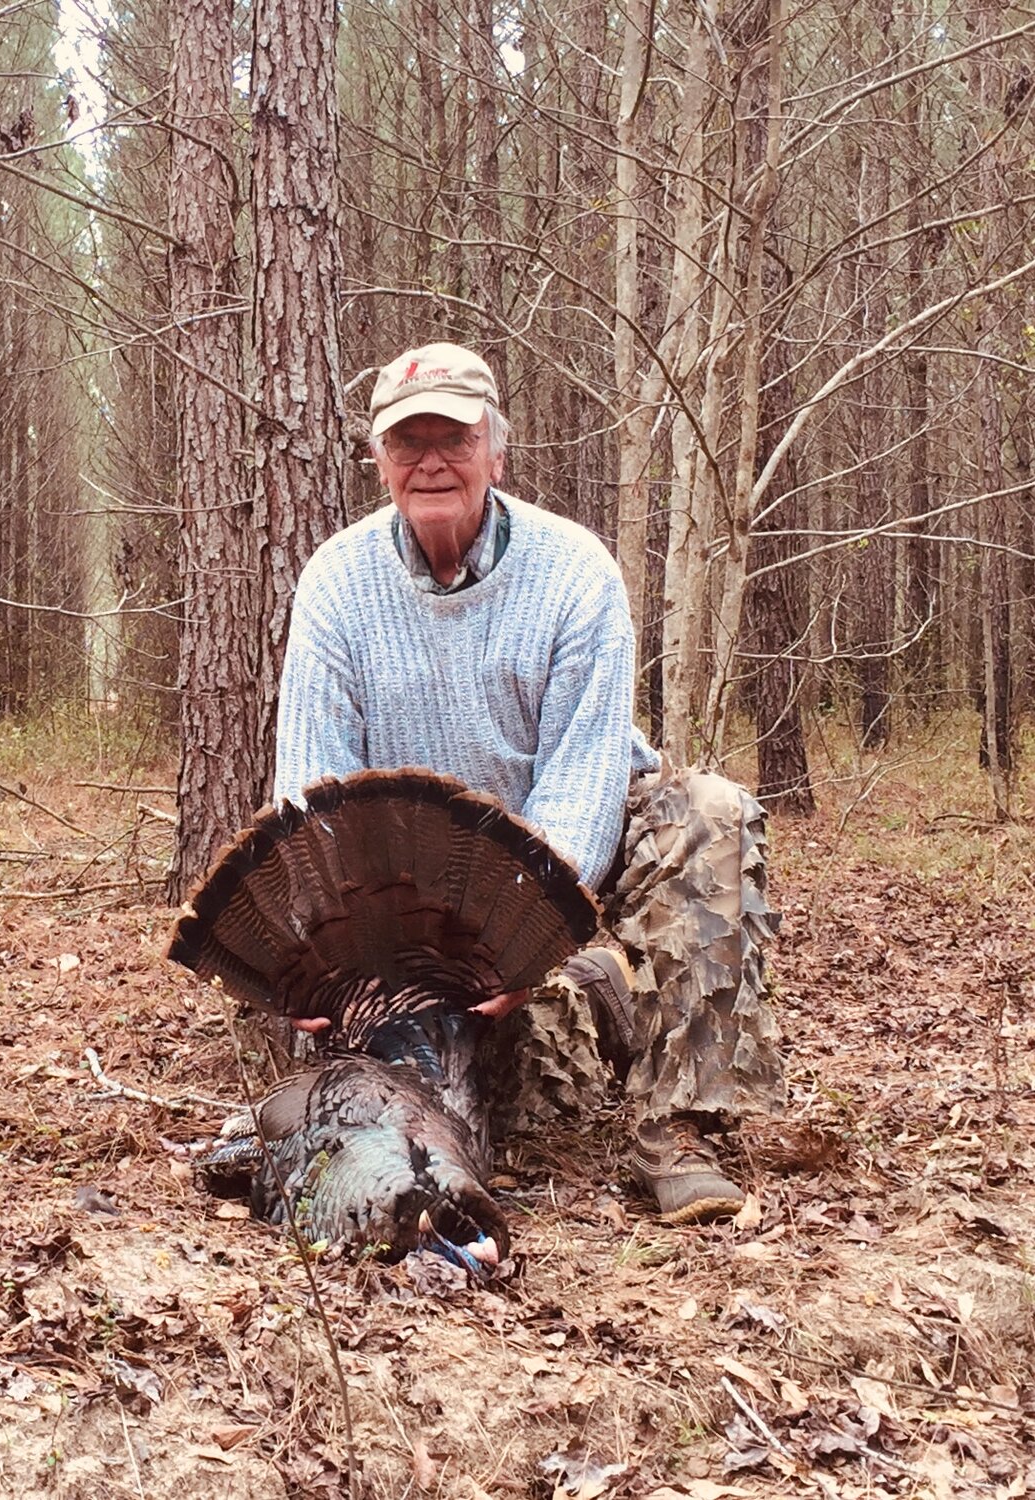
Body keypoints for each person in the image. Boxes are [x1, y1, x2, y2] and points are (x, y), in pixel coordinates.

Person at [275, 342, 784, 1225]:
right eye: (407, 442)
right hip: (408, 875)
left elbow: (582, 783)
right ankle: (592, 994)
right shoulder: (335, 582)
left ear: (496, 453)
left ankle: (680, 1133)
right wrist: (328, 963)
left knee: (710, 814)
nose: (430, 460)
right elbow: (312, 796)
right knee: (461, 1076)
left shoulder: (573, 569)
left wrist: (521, 943)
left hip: (551, 843)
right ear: (378, 460)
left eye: (454, 439)